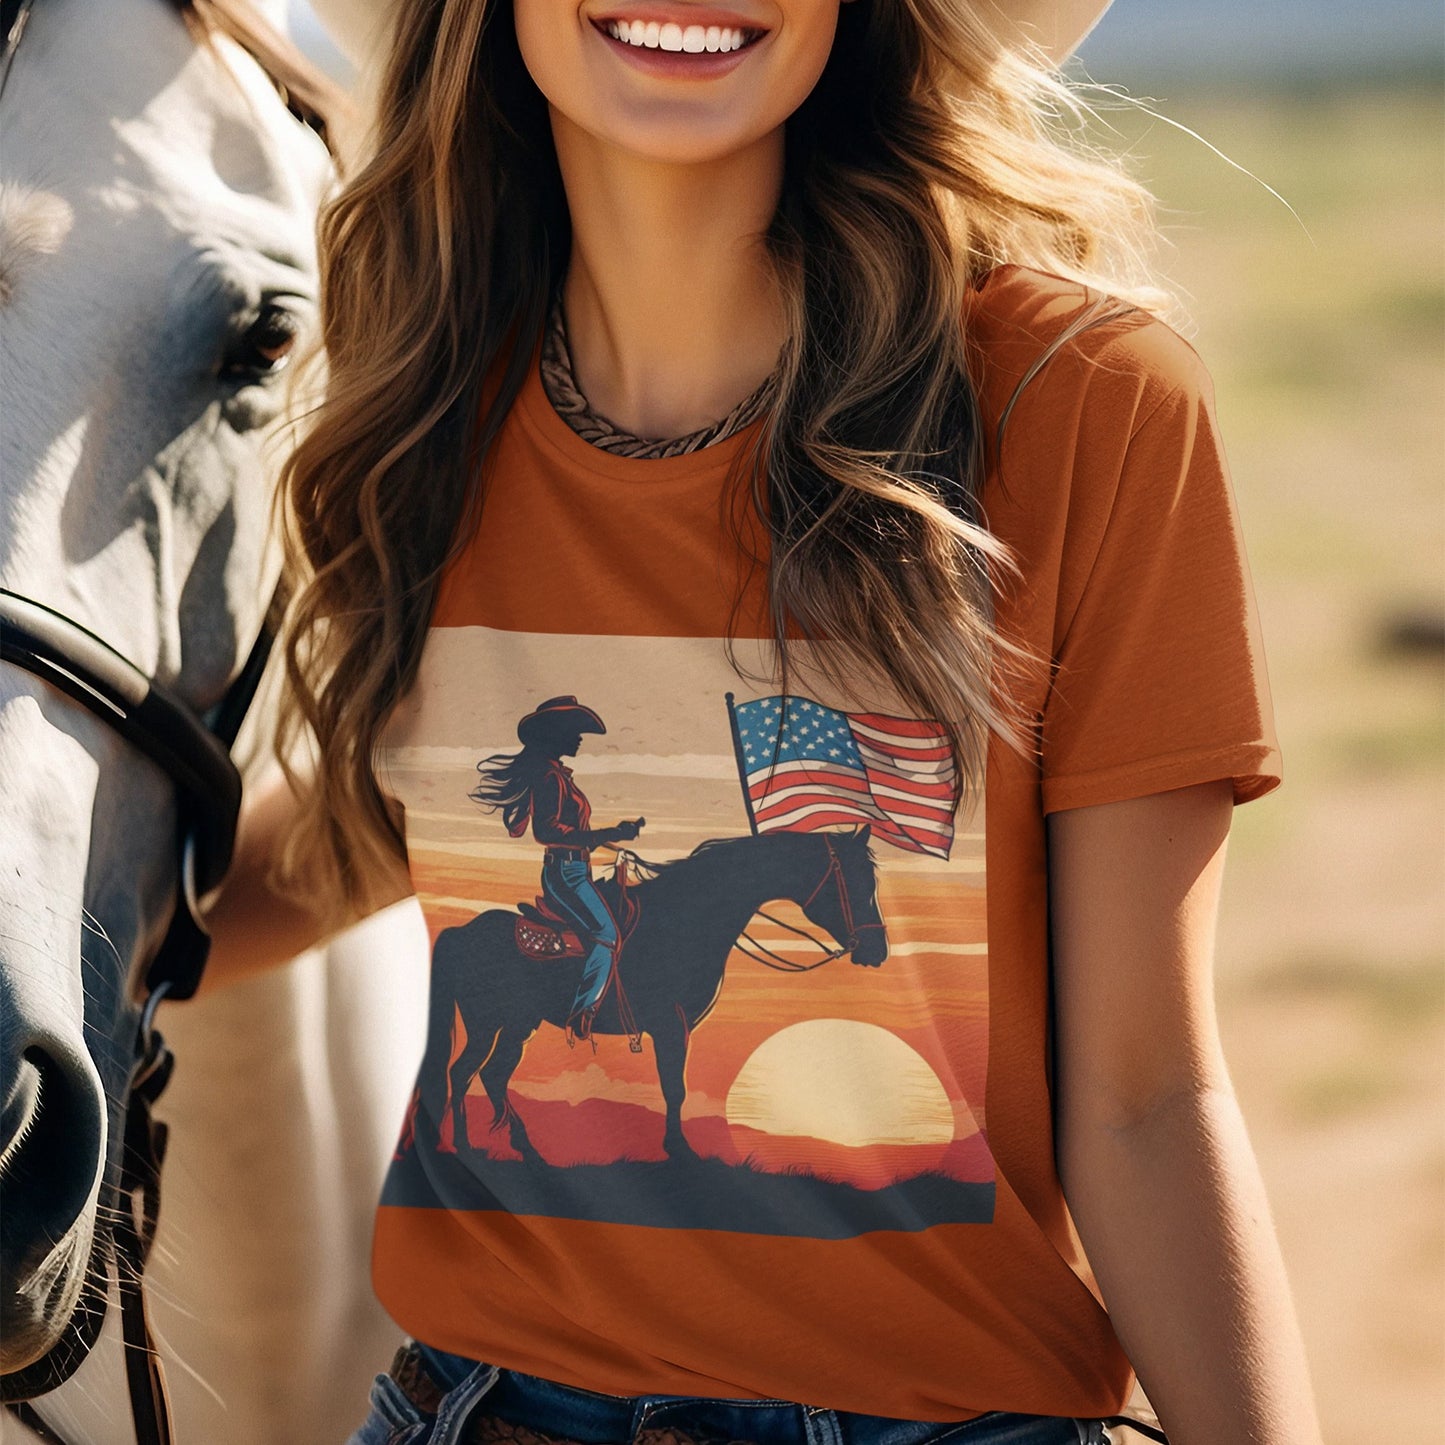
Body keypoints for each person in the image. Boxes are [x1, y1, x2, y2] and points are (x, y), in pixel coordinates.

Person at [200, 0, 1326, 1441]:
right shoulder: (430, 415)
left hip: (951, 1420)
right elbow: (372, 835)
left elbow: (1146, 1099)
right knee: (599, 930)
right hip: (482, 1410)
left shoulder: (1082, 405)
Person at [468, 695, 644, 1042]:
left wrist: (613, 835)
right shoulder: (550, 777)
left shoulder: (557, 775)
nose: (579, 738)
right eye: (574, 731)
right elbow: (546, 831)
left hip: (576, 871)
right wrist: (610, 833)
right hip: (566, 875)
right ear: (556, 734)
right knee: (607, 936)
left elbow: (571, 831)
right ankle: (584, 1011)